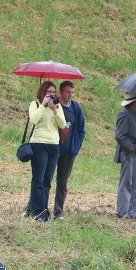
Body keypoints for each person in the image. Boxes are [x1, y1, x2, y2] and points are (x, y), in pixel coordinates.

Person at [25, 81, 67, 221]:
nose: (51, 94)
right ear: (43, 92)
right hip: (39, 144)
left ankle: (41, 209)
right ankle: (38, 213)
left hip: (53, 145)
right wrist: (43, 105)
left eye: (54, 92)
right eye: (49, 92)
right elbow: (34, 120)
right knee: (38, 179)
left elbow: (62, 125)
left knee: (47, 180)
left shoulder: (58, 106)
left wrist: (54, 110)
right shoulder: (35, 104)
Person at [52, 81, 86, 220]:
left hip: (68, 152)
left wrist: (76, 147)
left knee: (62, 182)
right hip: (52, 148)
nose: (70, 95)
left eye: (72, 92)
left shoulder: (76, 108)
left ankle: (58, 211)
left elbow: (81, 130)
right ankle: (38, 206)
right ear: (61, 92)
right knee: (44, 180)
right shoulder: (53, 105)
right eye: (67, 92)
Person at [115, 92, 136, 219]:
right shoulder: (124, 114)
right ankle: (122, 212)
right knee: (126, 182)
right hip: (128, 153)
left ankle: (132, 212)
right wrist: (133, 147)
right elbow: (119, 136)